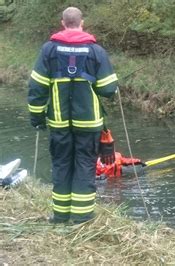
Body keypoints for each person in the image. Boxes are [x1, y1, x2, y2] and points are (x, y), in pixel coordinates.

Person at [27, 7, 118, 223]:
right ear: (81, 23)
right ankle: (82, 217)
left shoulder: (48, 50)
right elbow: (108, 89)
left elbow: (37, 87)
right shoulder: (96, 52)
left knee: (61, 165)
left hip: (58, 122)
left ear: (63, 23)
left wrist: (37, 117)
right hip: (89, 123)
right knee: (85, 166)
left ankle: (60, 216)